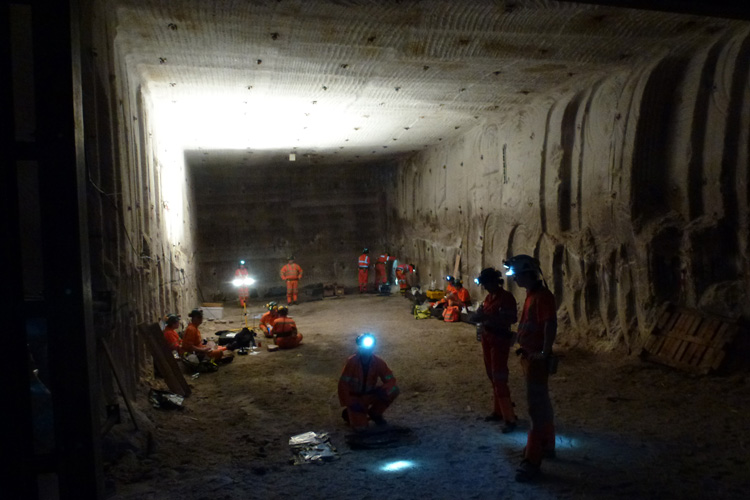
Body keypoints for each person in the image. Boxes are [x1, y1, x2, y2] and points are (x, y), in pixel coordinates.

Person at [503, 255, 557, 483]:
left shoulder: (542, 297)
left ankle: (532, 461)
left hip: (536, 359)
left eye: (516, 275)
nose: (514, 279)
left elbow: (549, 324)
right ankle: (547, 445)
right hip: (529, 357)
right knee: (541, 404)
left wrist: (544, 353)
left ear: (528, 273)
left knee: (536, 409)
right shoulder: (531, 296)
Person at [471, 267, 518, 434]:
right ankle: (498, 411)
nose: (486, 287)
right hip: (488, 338)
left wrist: (488, 317)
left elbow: (512, 318)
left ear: (495, 282)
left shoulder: (506, 298)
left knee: (499, 377)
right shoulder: (489, 298)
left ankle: (509, 418)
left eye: (487, 283)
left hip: (499, 339)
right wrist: (478, 316)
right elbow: (483, 313)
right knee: (492, 375)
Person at [338, 333, 399, 431]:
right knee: (361, 429)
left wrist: (384, 389)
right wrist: (350, 402)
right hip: (355, 398)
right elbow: (343, 384)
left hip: (369, 394)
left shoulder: (378, 362)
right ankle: (351, 414)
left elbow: (390, 379)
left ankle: (375, 413)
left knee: (394, 389)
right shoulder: (352, 362)